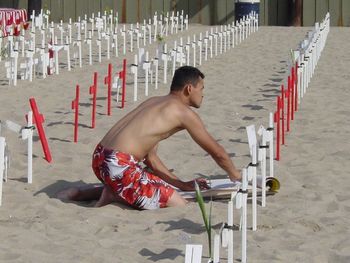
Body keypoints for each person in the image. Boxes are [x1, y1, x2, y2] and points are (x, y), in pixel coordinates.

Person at [58, 66, 241, 210]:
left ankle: (81, 194)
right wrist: (237, 176)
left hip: (100, 158)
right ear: (188, 89)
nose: (203, 94)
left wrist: (183, 185)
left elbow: (151, 159)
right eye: (201, 89)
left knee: (142, 182)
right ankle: (114, 195)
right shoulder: (183, 113)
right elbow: (217, 152)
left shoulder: (153, 101)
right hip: (119, 165)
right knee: (178, 203)